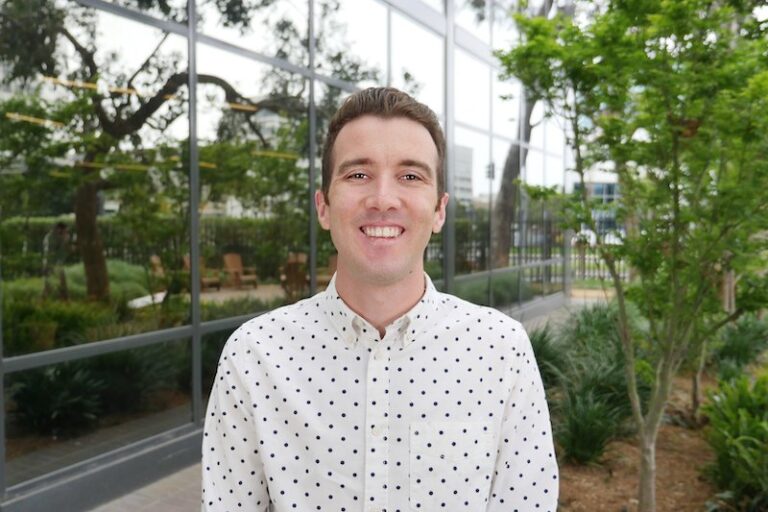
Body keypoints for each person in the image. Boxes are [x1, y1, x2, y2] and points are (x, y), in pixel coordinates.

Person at [202, 87, 558, 511]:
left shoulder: (501, 350)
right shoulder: (254, 356)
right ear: (323, 206)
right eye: (358, 175)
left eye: (411, 176)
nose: (383, 200)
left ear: (439, 210)